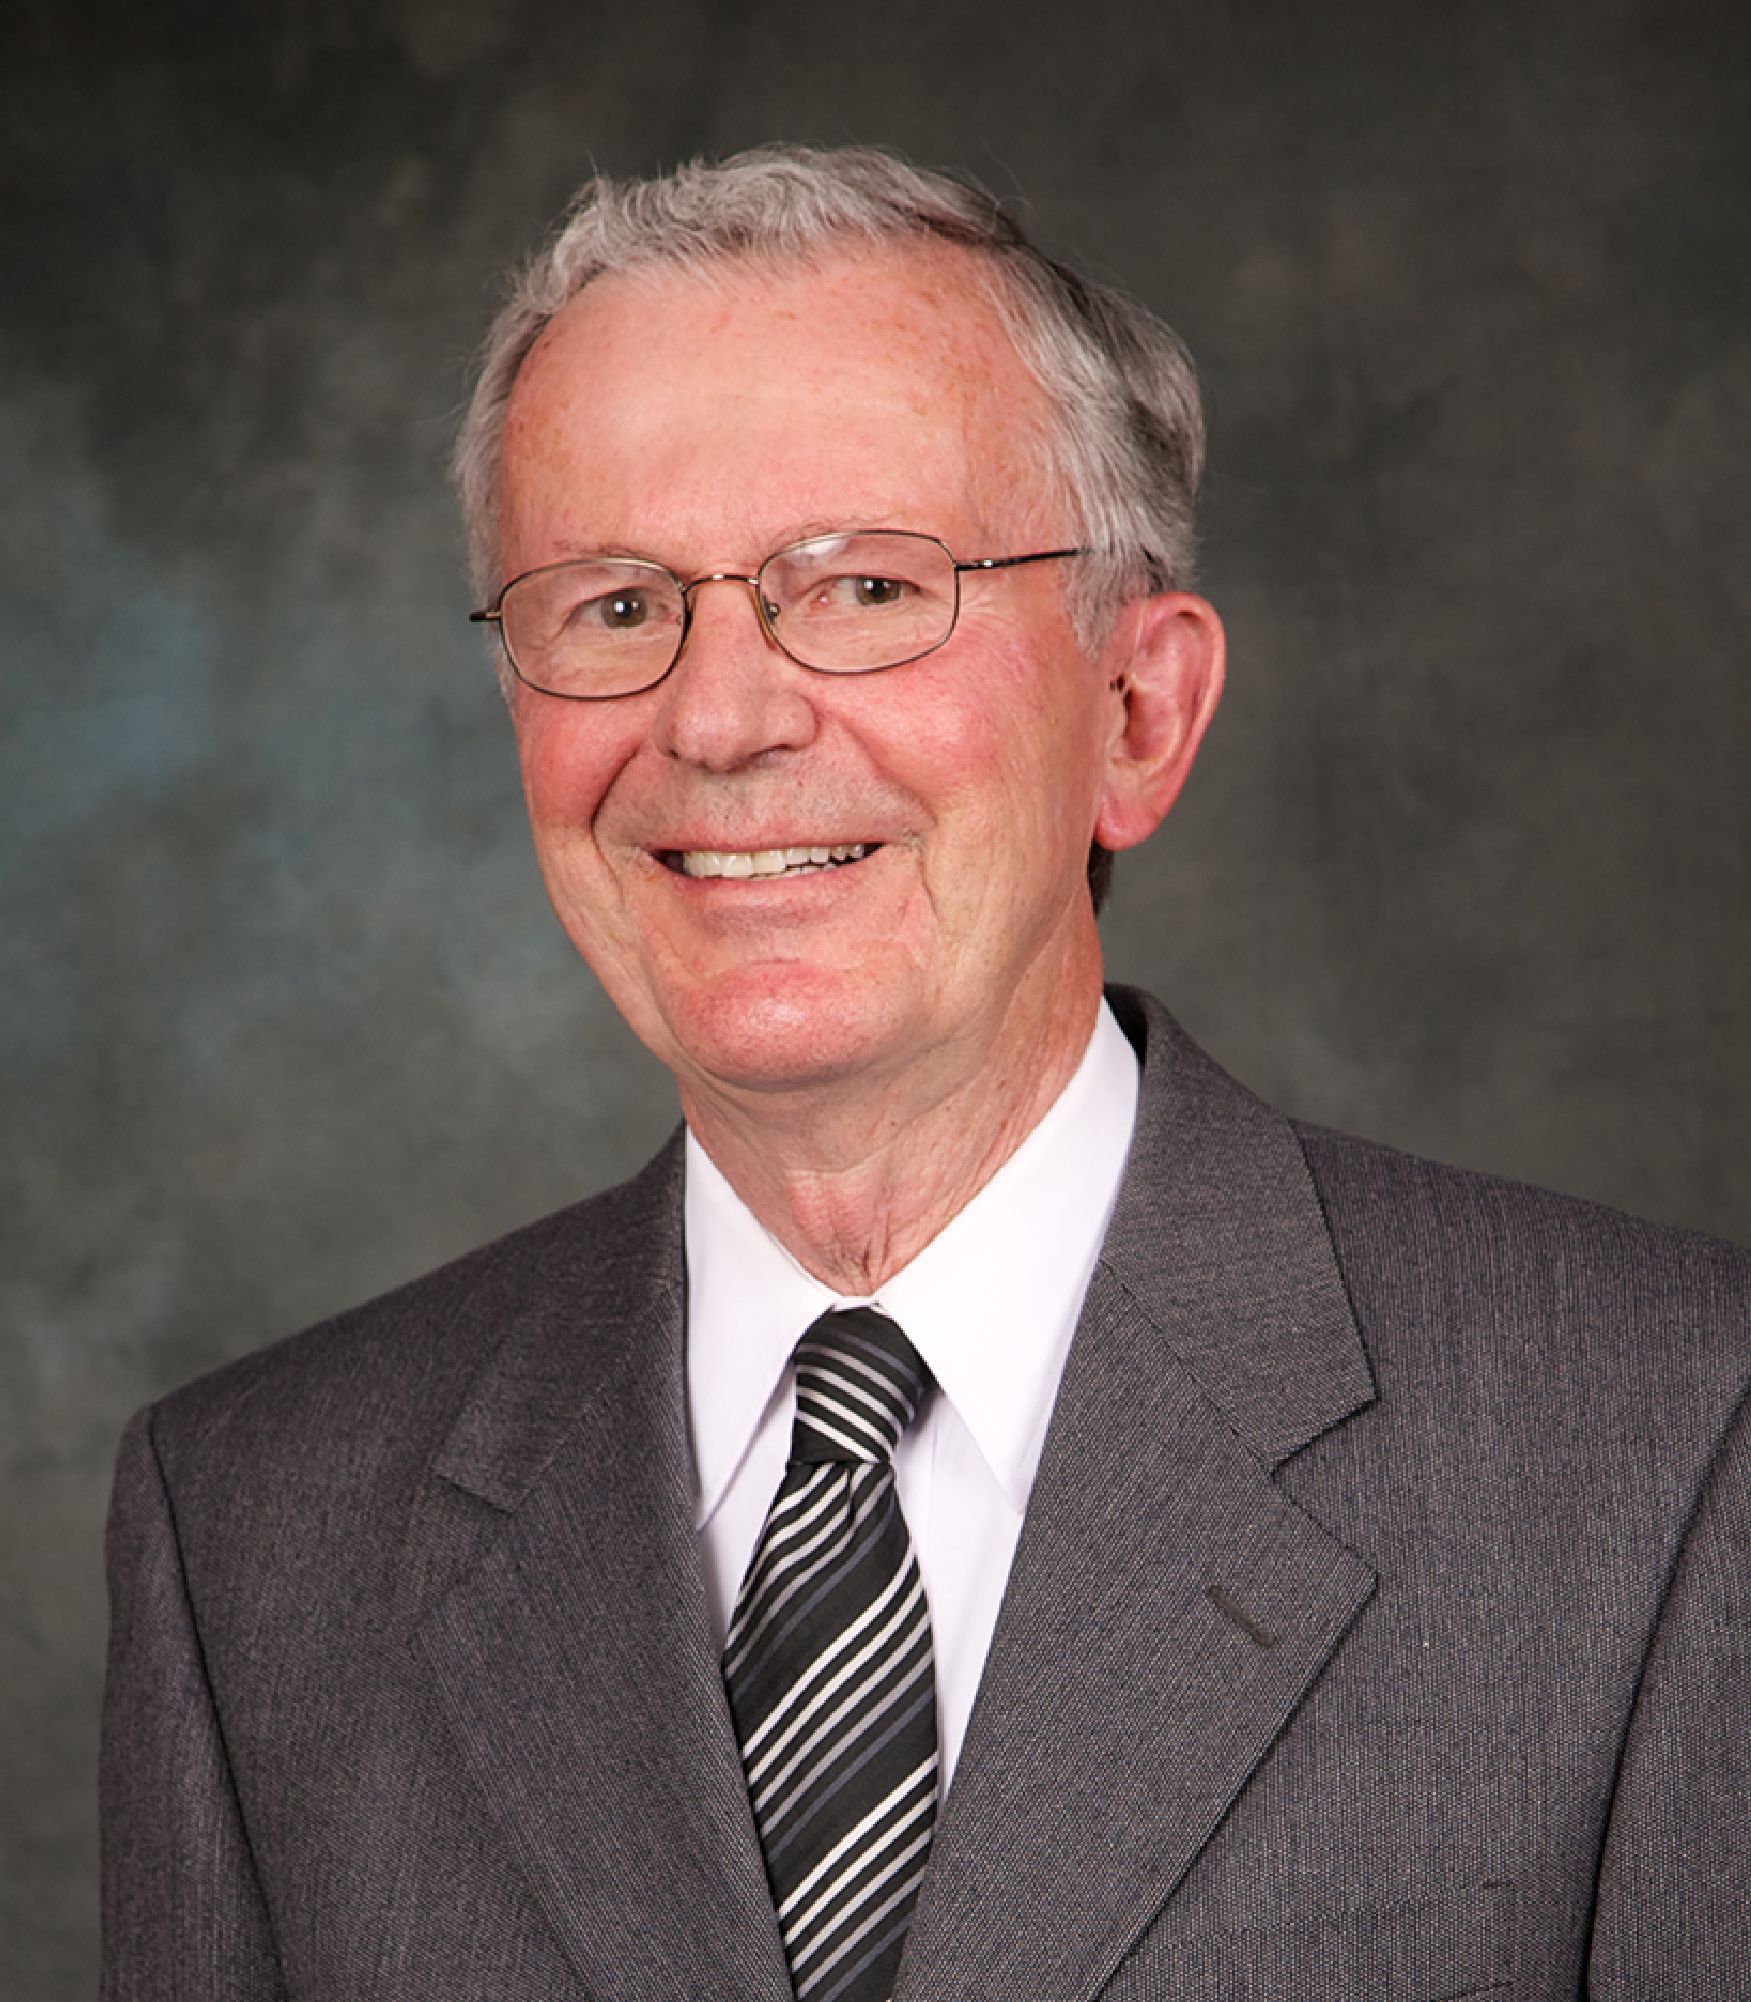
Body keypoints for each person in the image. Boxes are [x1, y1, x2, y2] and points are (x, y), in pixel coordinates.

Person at [100, 145, 1749, 2002]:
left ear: (1139, 712)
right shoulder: (253, 1527)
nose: (719, 721)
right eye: (615, 606)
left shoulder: (1672, 1445)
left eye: (870, 585)